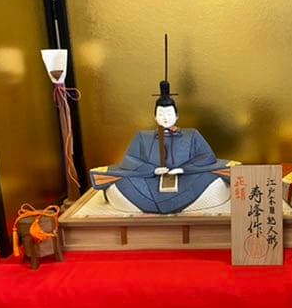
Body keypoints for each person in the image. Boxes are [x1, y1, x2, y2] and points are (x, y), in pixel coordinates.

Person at [89, 54, 230, 214]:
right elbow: (130, 160)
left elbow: (206, 157)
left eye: (169, 114)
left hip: (187, 178)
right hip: (149, 180)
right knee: (121, 179)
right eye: (161, 114)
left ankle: (175, 200)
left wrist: (184, 169)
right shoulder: (143, 136)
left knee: (213, 175)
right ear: (155, 117)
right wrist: (152, 170)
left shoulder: (192, 134)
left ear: (177, 116)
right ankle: (154, 202)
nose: (165, 118)